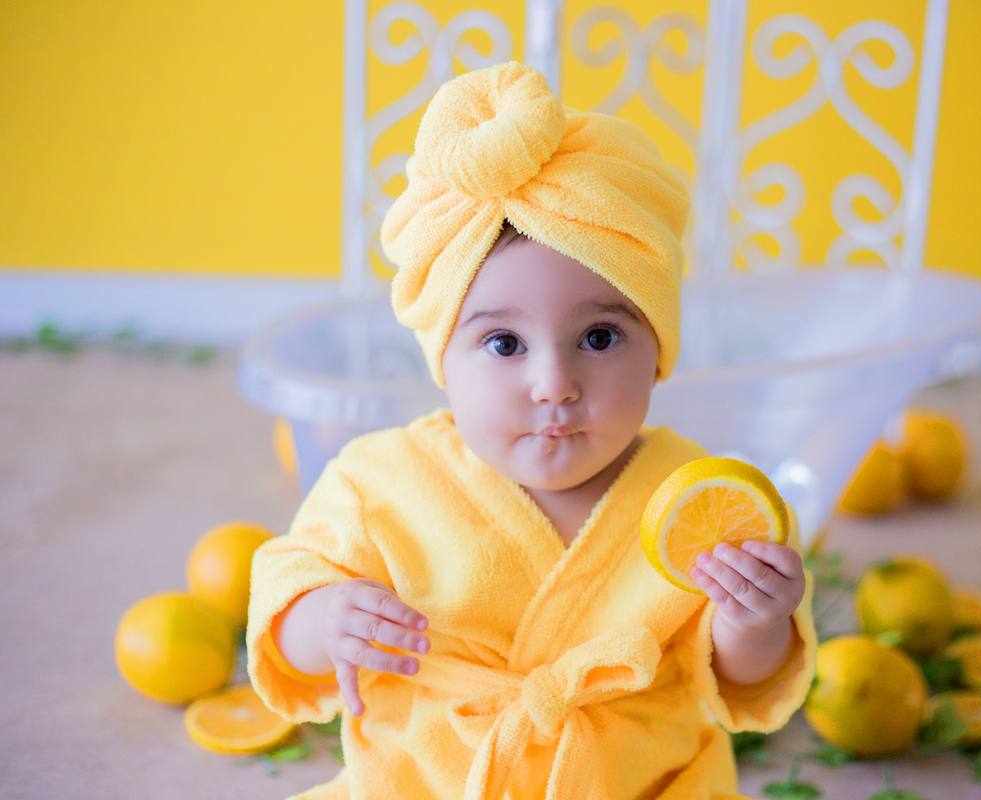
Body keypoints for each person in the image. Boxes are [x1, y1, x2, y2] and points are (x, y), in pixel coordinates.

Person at [247, 61, 816, 800]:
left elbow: (736, 684)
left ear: (660, 351)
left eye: (602, 338)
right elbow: (286, 600)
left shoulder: (697, 501)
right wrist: (324, 620)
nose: (555, 384)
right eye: (505, 345)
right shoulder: (379, 482)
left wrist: (757, 621)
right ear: (444, 358)